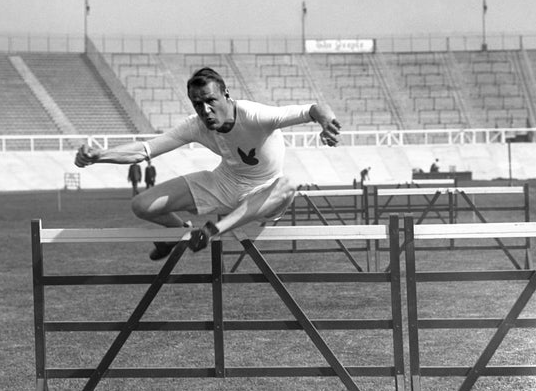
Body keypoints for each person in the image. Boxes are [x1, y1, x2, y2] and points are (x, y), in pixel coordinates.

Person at [75, 67, 341, 260]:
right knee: (141, 205)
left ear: (226, 94)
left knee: (290, 183)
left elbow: (313, 109)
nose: (205, 111)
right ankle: (180, 233)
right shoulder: (196, 125)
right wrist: (100, 155)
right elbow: (145, 150)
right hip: (223, 184)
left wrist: (327, 122)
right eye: (197, 104)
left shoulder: (256, 115)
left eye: (210, 101)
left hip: (264, 193)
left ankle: (211, 231)